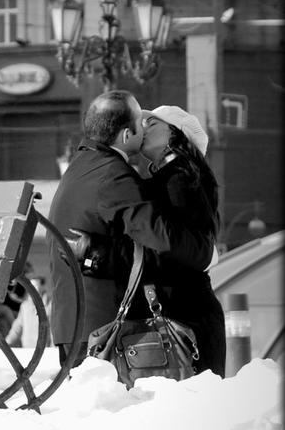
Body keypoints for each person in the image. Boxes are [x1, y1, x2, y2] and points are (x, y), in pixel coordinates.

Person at [47, 90, 214, 368]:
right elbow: (163, 240)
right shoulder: (113, 175)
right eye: (141, 122)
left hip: (79, 323)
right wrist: (205, 253)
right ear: (126, 135)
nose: (145, 127)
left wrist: (97, 253)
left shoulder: (81, 165)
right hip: (106, 329)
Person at [129, 105, 225, 375]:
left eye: (153, 123)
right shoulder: (177, 174)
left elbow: (180, 243)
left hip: (188, 313)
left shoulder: (180, 176)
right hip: (189, 308)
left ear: (175, 133)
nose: (143, 128)